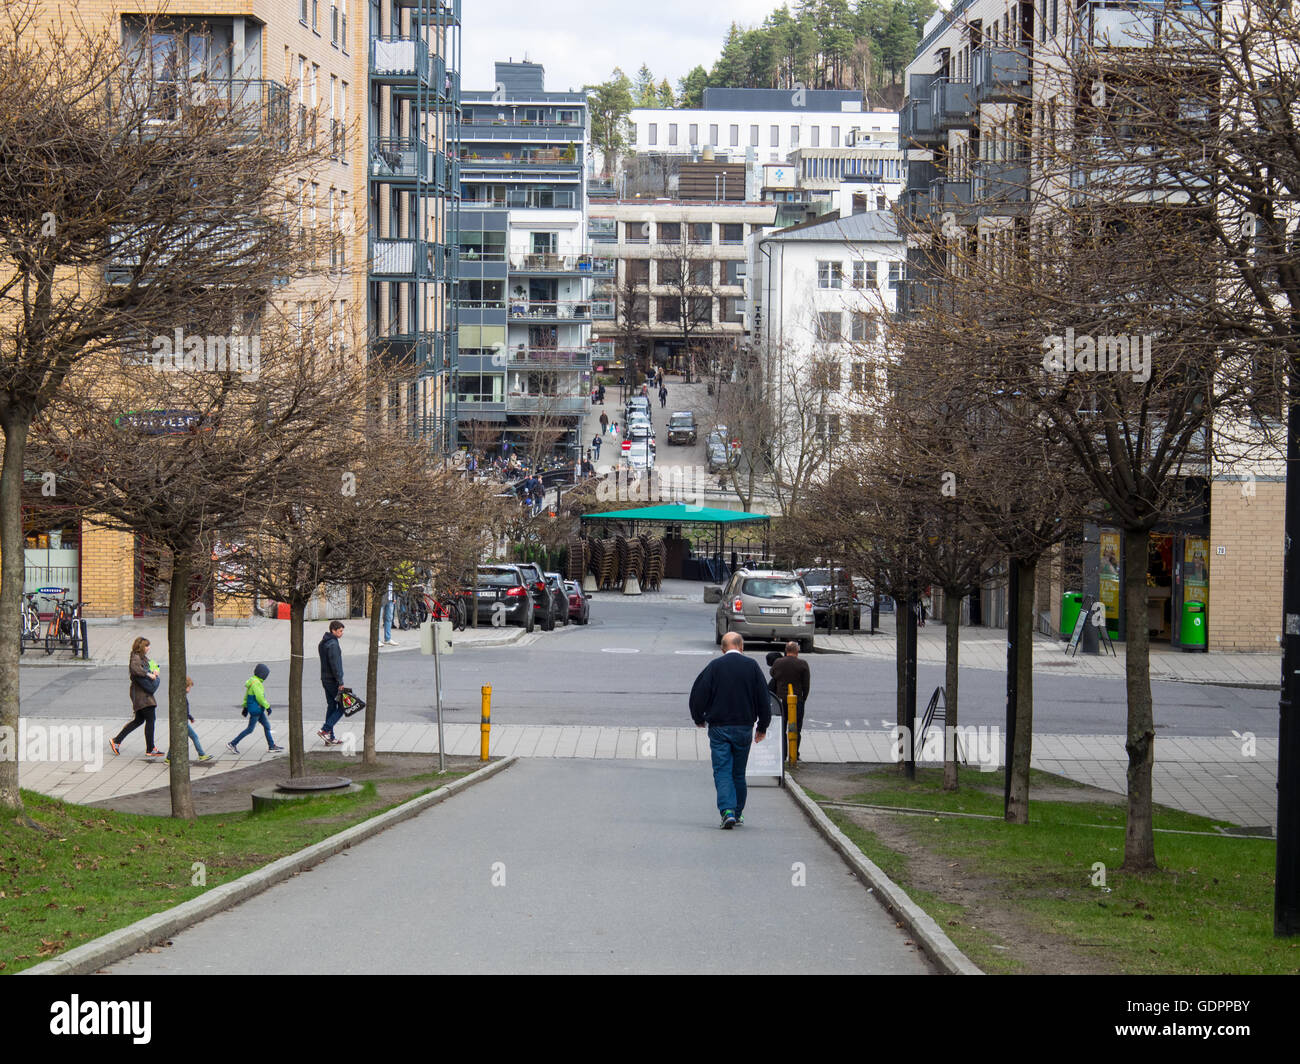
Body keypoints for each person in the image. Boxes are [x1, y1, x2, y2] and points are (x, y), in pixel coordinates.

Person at [689, 632, 772, 829]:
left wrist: (698, 717)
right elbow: (764, 698)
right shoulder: (752, 667)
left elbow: (698, 694)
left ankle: (727, 810)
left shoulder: (714, 667)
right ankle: (738, 811)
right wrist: (762, 726)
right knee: (738, 772)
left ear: (723, 649)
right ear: (742, 647)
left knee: (722, 770)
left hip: (719, 727)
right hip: (744, 727)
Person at [110, 637, 163, 757]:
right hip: (142, 695)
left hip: (142, 695)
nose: (148, 648)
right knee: (150, 720)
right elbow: (136, 670)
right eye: (146, 646)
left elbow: (153, 664)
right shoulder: (135, 658)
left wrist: (156, 670)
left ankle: (117, 740)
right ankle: (150, 748)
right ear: (141, 647)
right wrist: (149, 675)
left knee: (139, 720)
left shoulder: (143, 658)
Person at [768, 641, 812, 758]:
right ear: (797, 651)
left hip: (781, 700)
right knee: (796, 728)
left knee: (781, 729)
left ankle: (782, 754)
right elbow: (806, 685)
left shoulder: (778, 662)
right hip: (797, 700)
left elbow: (772, 674)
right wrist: (803, 699)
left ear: (786, 651)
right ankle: (794, 754)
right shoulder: (802, 664)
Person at [228, 663, 283, 753]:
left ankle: (271, 746)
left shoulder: (252, 681)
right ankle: (232, 743)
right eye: (266, 674)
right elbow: (260, 697)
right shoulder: (257, 683)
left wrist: (245, 707)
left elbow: (247, 696)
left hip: (257, 709)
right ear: (262, 674)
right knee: (250, 729)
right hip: (256, 710)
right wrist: (268, 707)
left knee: (267, 726)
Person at [166, 676, 214, 763]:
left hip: (181, 720)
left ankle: (168, 758)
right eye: (189, 687)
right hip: (182, 721)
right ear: (185, 686)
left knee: (175, 739)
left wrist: (190, 717)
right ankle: (201, 755)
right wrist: (189, 717)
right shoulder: (181, 697)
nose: (190, 689)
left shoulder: (179, 695)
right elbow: (184, 710)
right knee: (194, 736)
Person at [318, 620, 346, 746]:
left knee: (331, 705)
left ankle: (330, 736)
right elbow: (336, 665)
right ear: (333, 630)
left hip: (324, 678)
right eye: (340, 631)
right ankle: (325, 729)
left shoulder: (323, 642)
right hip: (332, 680)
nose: (342, 633)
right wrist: (340, 681)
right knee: (342, 706)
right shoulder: (333, 645)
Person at [382, 580, 399, 646]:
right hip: (382, 598)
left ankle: (388, 639)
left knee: (389, 619)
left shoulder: (393, 571)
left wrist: (394, 597)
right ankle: (376, 640)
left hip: (391, 599)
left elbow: (394, 586)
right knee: (378, 619)